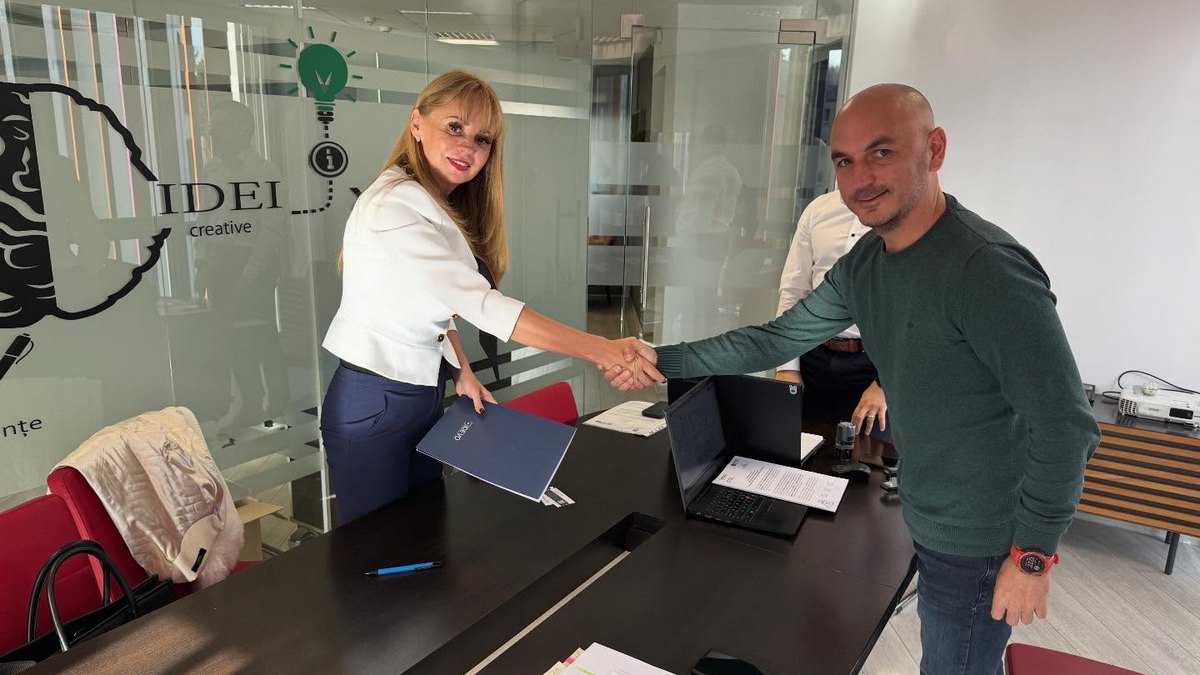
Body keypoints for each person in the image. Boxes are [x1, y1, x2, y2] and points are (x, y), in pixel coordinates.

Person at [609, 84, 1100, 675]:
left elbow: (1065, 426)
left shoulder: (986, 268)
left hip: (980, 534)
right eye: (844, 161)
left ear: (934, 150)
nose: (859, 179)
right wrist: (659, 358)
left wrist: (1032, 556)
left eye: (881, 153)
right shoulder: (867, 261)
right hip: (924, 507)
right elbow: (776, 339)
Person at [322, 70, 659, 524]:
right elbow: (483, 306)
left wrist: (462, 371)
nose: (468, 147)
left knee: (422, 532)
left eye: (482, 139)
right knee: (376, 548)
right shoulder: (395, 204)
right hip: (374, 400)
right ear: (417, 123)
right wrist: (603, 349)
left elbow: (434, 305)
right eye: (454, 127)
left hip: (421, 392)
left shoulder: (429, 200)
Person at [776, 191, 887, 433]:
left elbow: (918, 313)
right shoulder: (819, 209)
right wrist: (787, 368)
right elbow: (794, 291)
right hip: (812, 357)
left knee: (869, 454)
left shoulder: (904, 214)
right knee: (799, 448)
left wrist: (885, 385)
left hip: (874, 367)